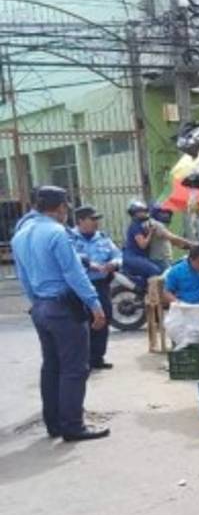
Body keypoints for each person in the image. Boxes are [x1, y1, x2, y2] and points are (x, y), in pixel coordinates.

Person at [11, 186, 110, 442]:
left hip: (41, 307)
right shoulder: (56, 233)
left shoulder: (20, 234)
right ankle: (72, 425)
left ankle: (54, 423)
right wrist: (95, 305)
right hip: (63, 307)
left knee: (52, 366)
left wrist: (37, 303)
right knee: (74, 368)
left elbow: (23, 277)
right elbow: (73, 273)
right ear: (61, 208)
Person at [70, 205, 122, 370]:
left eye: (97, 220)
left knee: (103, 318)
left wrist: (114, 264)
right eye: (92, 220)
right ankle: (82, 359)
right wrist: (89, 264)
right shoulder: (69, 238)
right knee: (82, 321)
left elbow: (118, 255)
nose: (96, 223)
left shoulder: (103, 238)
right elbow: (70, 258)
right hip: (79, 285)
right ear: (80, 221)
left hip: (100, 285)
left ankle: (97, 358)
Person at [122, 200, 166, 279]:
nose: (145, 213)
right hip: (133, 257)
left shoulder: (143, 224)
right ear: (135, 213)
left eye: (145, 210)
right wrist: (150, 233)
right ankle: (153, 291)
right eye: (141, 211)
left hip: (141, 256)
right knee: (155, 271)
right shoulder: (135, 226)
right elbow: (143, 245)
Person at [147, 205, 194, 269]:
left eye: (168, 213)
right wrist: (192, 244)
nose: (166, 216)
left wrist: (188, 246)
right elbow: (173, 238)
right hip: (160, 260)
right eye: (164, 213)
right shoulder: (157, 225)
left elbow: (173, 242)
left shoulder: (159, 226)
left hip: (163, 259)